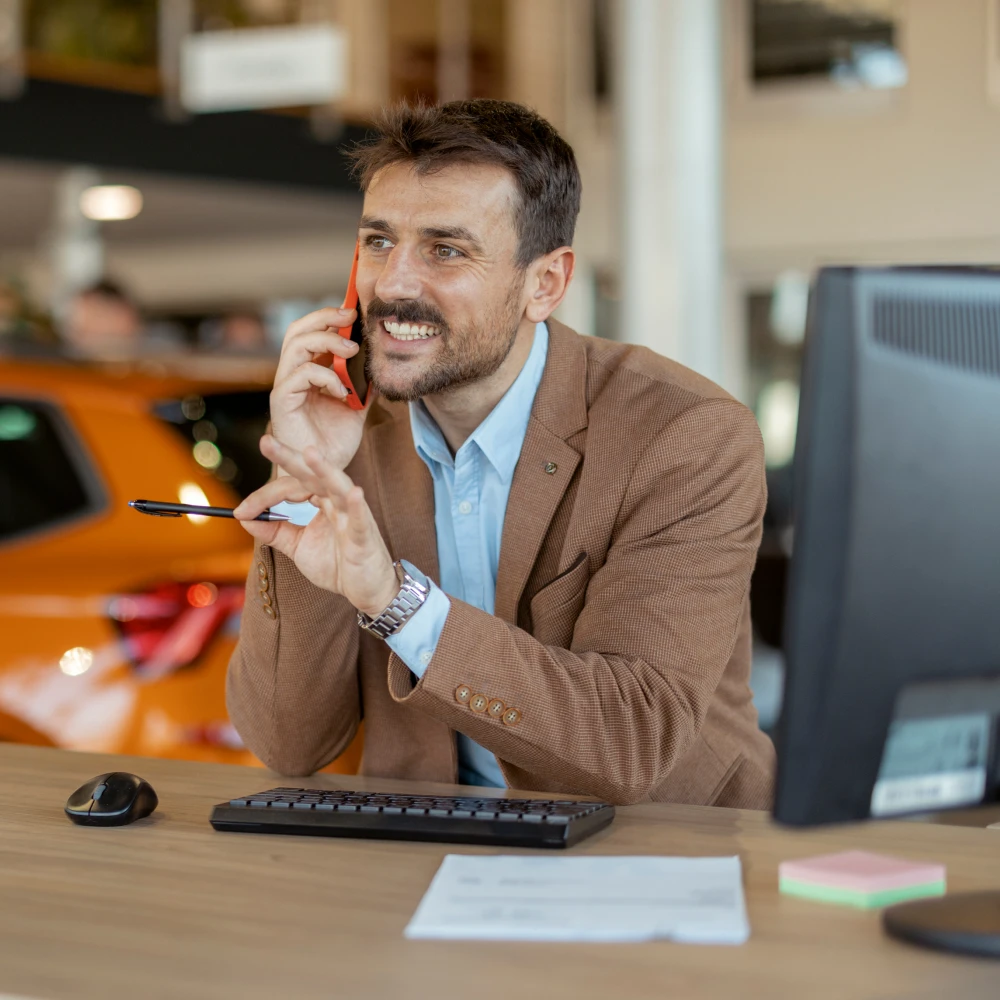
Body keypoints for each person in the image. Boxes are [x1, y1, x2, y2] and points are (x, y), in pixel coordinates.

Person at [227, 99, 775, 808]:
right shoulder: (345, 424)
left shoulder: (686, 436)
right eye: (379, 242)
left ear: (544, 284)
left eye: (445, 250)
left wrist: (397, 604)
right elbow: (288, 742)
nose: (392, 284)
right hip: (429, 846)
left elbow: (631, 737)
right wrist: (302, 475)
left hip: (656, 848)